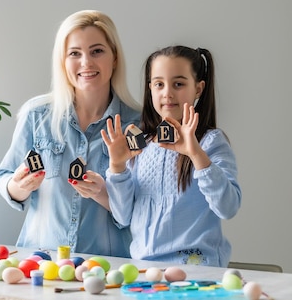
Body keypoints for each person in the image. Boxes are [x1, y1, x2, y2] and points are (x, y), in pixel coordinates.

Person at [0, 10, 141, 257]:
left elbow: (143, 208)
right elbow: (5, 177)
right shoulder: (35, 115)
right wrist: (19, 186)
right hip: (40, 264)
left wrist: (104, 194)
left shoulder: (137, 125)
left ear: (114, 57)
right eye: (74, 53)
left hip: (109, 267)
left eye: (97, 51)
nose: (86, 62)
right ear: (63, 61)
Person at [101, 45, 241, 267]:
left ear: (198, 88)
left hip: (198, 271)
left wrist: (196, 154)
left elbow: (228, 207)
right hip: (145, 269)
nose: (167, 93)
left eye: (178, 84)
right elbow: (122, 217)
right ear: (150, 89)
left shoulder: (211, 142)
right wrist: (117, 166)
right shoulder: (139, 145)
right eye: (159, 84)